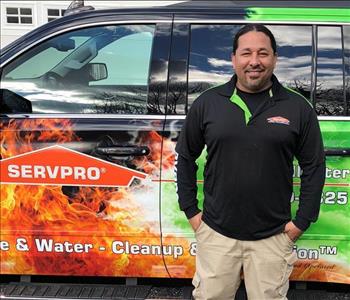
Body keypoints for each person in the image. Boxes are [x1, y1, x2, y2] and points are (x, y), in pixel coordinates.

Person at [175, 24, 325, 300]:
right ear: (233, 59)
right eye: (246, 53)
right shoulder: (208, 103)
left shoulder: (297, 107)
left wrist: (302, 222)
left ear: (275, 58)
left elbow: (314, 166)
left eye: (263, 53)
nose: (254, 61)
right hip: (216, 234)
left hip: (273, 237)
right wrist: (192, 214)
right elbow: (185, 157)